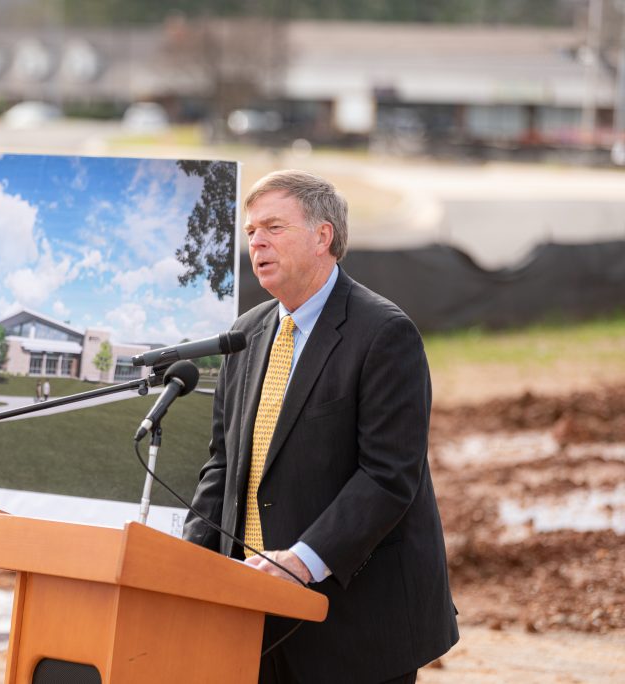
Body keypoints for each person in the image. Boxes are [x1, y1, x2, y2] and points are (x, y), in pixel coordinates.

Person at [184, 170, 458, 684]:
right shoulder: (245, 334)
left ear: (322, 236)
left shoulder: (384, 333)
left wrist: (303, 561)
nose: (257, 241)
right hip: (252, 615)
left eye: (273, 227)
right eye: (250, 232)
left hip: (356, 620)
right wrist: (187, 561)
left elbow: (388, 475)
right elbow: (223, 464)